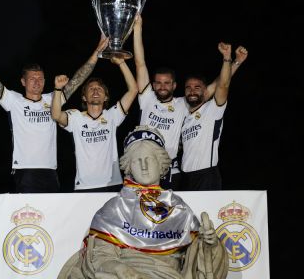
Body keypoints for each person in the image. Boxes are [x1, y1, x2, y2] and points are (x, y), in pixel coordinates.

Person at [58, 126, 228, 279]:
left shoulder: (178, 207)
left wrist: (210, 244)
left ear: (161, 164)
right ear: (129, 167)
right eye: (137, 161)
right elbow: (100, 256)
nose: (144, 166)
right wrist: (118, 267)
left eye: (149, 159)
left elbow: (198, 261)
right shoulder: (115, 207)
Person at [0, 34, 109, 193]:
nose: (37, 82)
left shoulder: (53, 98)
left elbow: (78, 79)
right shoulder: (14, 101)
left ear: (45, 81)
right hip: (26, 171)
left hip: (50, 171)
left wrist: (97, 52)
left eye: (40, 78)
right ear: (23, 82)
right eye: (32, 79)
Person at [133, 15, 245, 190]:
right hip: (144, 168)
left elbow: (217, 86)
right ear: (153, 85)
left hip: (173, 172)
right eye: (159, 83)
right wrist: (137, 28)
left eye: (167, 83)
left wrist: (235, 62)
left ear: (174, 85)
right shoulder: (147, 98)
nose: (162, 86)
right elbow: (140, 64)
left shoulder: (183, 104)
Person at [51, 55, 138, 192]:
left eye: (99, 89)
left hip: (112, 184)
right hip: (85, 186)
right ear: (84, 97)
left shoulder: (112, 115)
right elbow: (56, 115)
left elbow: (133, 90)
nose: (96, 90)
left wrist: (121, 63)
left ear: (106, 97)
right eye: (91, 89)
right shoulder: (76, 117)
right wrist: (57, 90)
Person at [181, 44, 248, 190]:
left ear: (205, 91)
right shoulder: (185, 114)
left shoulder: (212, 109)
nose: (192, 91)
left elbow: (222, 84)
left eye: (197, 87)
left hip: (206, 175)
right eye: (188, 88)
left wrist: (228, 59)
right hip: (185, 176)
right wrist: (237, 61)